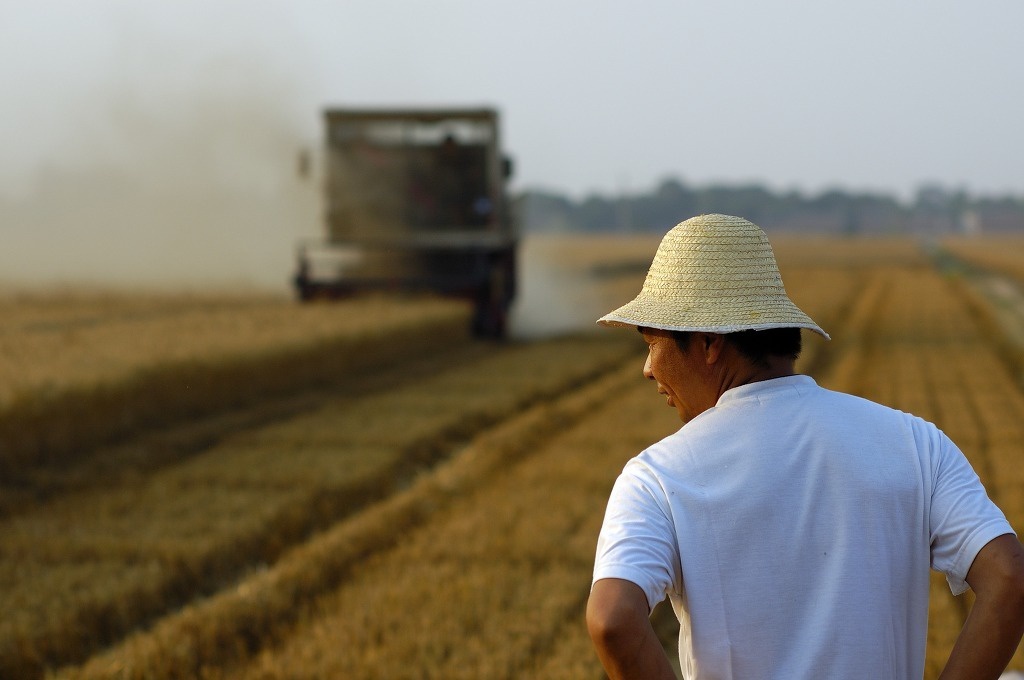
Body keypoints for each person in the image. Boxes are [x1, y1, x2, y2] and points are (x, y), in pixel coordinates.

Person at [586, 214, 1024, 679]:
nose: (648, 369)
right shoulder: (916, 444)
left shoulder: (657, 477)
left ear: (709, 342)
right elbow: (1009, 578)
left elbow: (613, 620)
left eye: (651, 343)